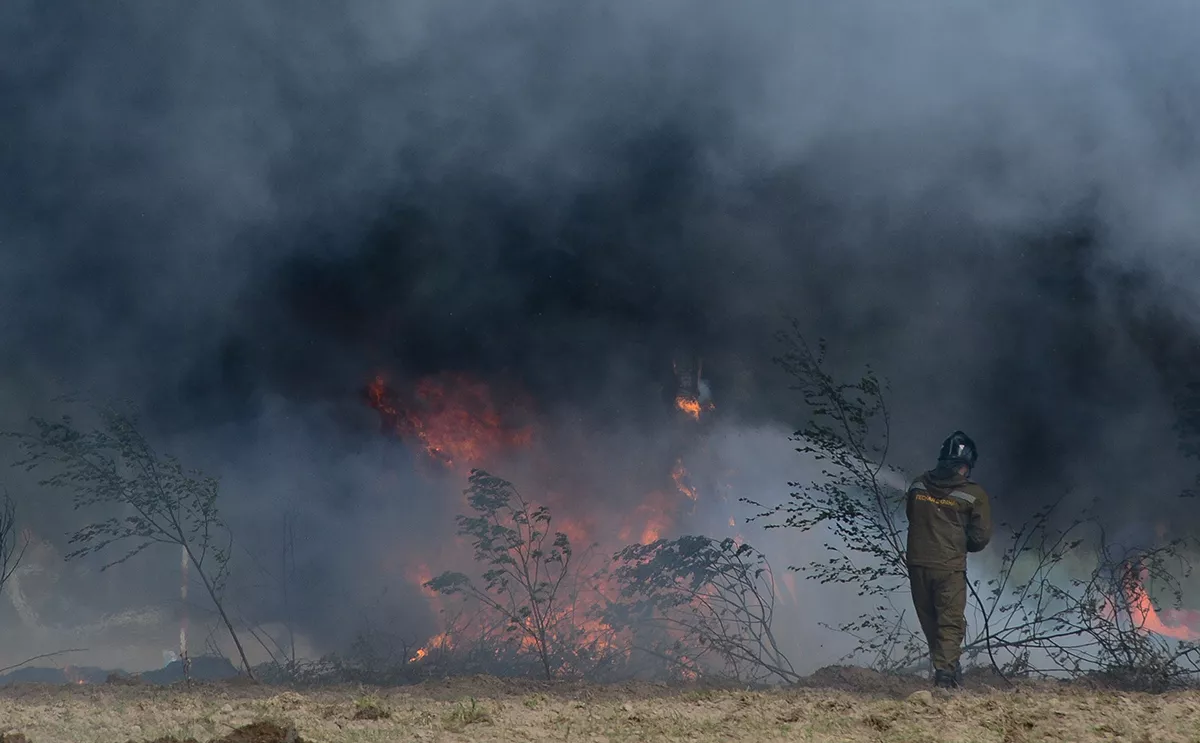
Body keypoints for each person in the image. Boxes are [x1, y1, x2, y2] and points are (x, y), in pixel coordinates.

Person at [905, 430, 992, 689]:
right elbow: (980, 537)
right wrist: (955, 542)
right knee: (950, 621)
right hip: (949, 567)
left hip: (918, 563)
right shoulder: (974, 494)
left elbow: (912, 516)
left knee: (930, 619)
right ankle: (945, 678)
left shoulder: (918, 484)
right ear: (965, 466)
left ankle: (948, 667)